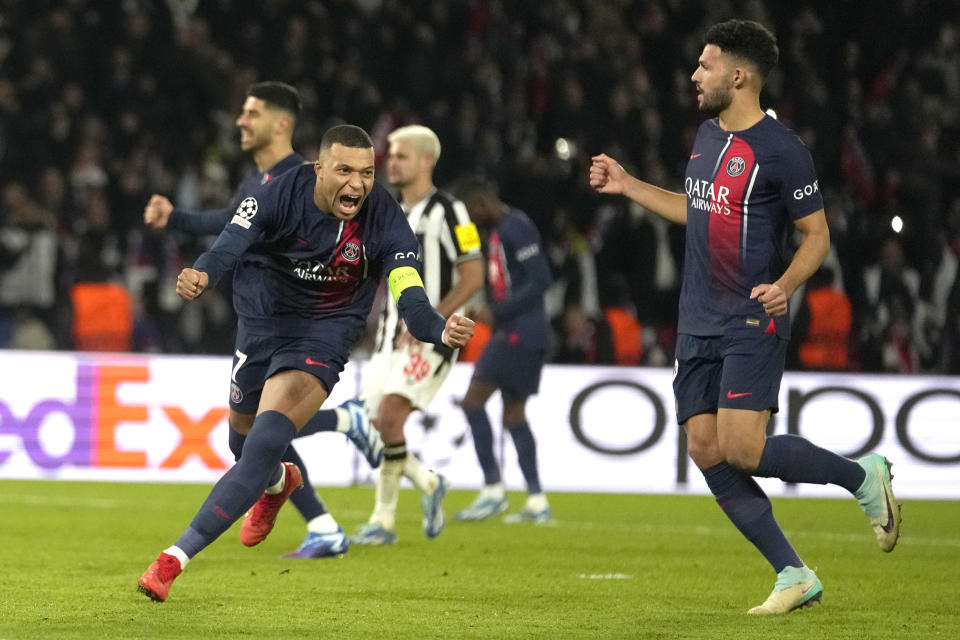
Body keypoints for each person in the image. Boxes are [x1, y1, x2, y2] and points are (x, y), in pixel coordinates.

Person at [589, 19, 901, 615]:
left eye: (704, 65)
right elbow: (697, 209)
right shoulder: (706, 135)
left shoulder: (783, 150)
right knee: (705, 447)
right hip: (696, 317)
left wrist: (785, 286)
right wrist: (629, 186)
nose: (694, 75)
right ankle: (793, 573)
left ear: (739, 75)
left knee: (743, 449)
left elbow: (817, 236)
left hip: (752, 314)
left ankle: (860, 477)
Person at [137, 124, 475, 602]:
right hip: (261, 325)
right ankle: (280, 482)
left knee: (263, 441)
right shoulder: (276, 194)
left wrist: (438, 328)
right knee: (240, 440)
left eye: (366, 173)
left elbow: (409, 296)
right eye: (344, 171)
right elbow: (229, 245)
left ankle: (173, 560)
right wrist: (203, 275)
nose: (357, 184)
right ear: (318, 169)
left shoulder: (385, 218)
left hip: (324, 332)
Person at [143, 81, 383, 560]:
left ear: (281, 123)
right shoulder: (258, 181)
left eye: (251, 114)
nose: (240, 121)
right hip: (254, 322)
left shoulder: (303, 181)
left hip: (288, 326)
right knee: (252, 440)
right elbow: (229, 223)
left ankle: (328, 485)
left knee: (263, 435)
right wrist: (177, 218)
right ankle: (325, 518)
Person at [349, 125, 484, 545]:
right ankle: (427, 482)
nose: (392, 162)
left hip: (434, 334)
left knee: (390, 415)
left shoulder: (451, 210)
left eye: (402, 156)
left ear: (428, 161)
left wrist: (435, 319)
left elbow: (474, 273)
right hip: (390, 333)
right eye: (390, 155)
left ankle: (383, 520)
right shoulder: (386, 212)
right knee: (372, 424)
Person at [453, 178, 553, 524]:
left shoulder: (517, 227)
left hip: (518, 333)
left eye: (469, 213)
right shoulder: (496, 230)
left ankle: (493, 491)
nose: (468, 221)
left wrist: (497, 312)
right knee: (514, 416)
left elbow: (541, 278)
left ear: (481, 203)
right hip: (521, 333)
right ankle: (537, 501)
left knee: (472, 402)